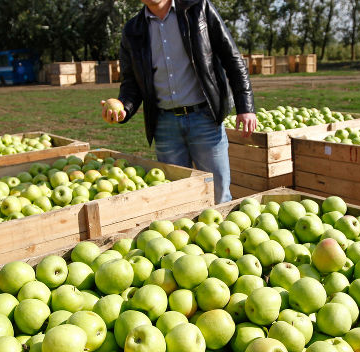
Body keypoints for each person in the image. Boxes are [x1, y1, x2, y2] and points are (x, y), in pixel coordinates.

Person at [100, 0, 257, 203]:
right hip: (165, 127)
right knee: (176, 199)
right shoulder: (133, 30)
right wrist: (123, 108)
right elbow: (132, 83)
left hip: (205, 120)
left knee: (219, 196)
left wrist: (245, 106)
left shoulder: (198, 8)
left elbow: (232, 57)